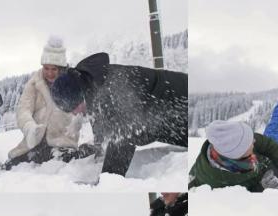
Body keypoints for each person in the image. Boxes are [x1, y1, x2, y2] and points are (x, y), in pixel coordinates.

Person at [51, 52, 187, 177]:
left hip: (183, 104)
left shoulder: (113, 88)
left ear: (79, 95)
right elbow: (102, 131)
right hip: (169, 115)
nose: (75, 113)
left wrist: (108, 180)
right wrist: (89, 151)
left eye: (74, 107)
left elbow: (123, 137)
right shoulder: (93, 84)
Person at [4, 36, 97, 169]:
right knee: (10, 166)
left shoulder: (73, 82)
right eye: (46, 68)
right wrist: (29, 127)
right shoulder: (35, 82)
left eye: (54, 69)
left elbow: (87, 108)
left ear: (61, 68)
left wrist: (78, 118)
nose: (49, 73)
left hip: (62, 143)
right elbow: (23, 109)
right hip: (34, 143)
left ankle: (86, 149)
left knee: (58, 165)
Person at [189, 120, 278, 192]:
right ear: (237, 153)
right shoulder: (217, 182)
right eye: (250, 142)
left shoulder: (241, 140)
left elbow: (269, 145)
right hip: (262, 181)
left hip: (266, 166)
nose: (254, 141)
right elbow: (242, 200)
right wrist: (262, 187)